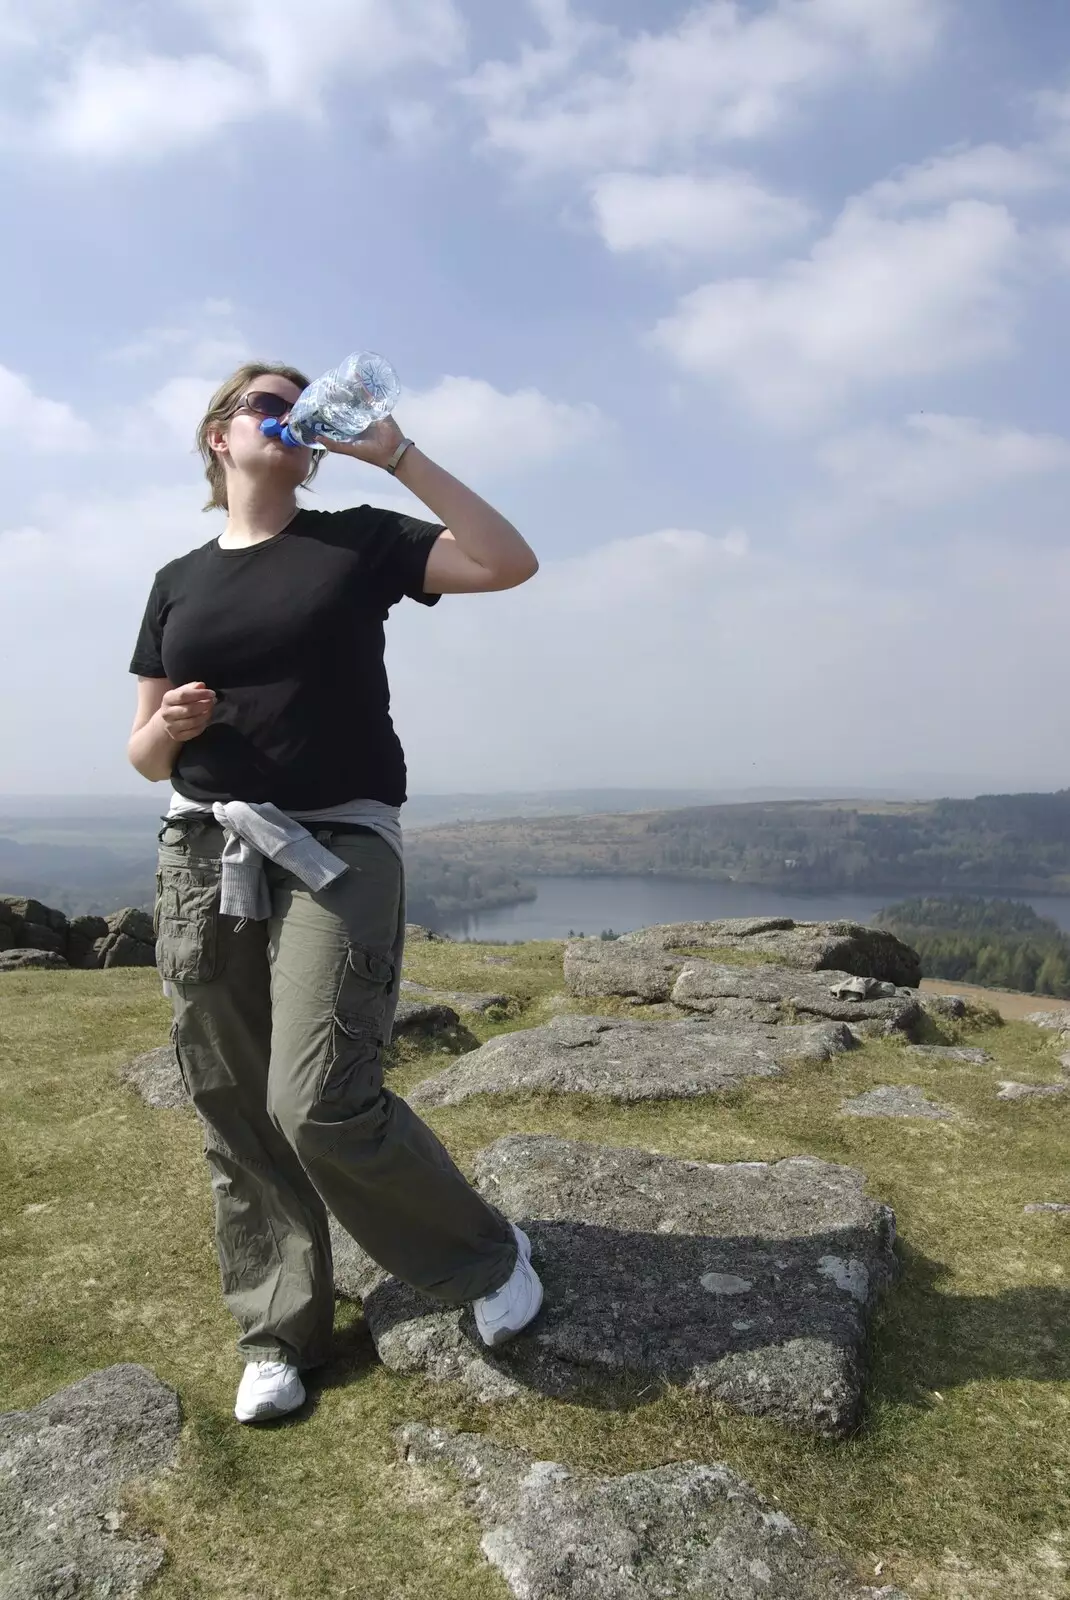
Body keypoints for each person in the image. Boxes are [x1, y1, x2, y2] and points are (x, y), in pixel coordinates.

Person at [127, 360, 543, 1424]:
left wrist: (396, 453)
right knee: (231, 1101)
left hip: (339, 846)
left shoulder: (356, 539)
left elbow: (507, 561)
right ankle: (279, 1329)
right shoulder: (177, 576)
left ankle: (484, 1257)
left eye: (304, 409)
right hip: (203, 848)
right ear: (218, 436)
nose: (292, 419)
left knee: (315, 1099)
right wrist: (168, 728)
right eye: (269, 404)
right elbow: (138, 751)